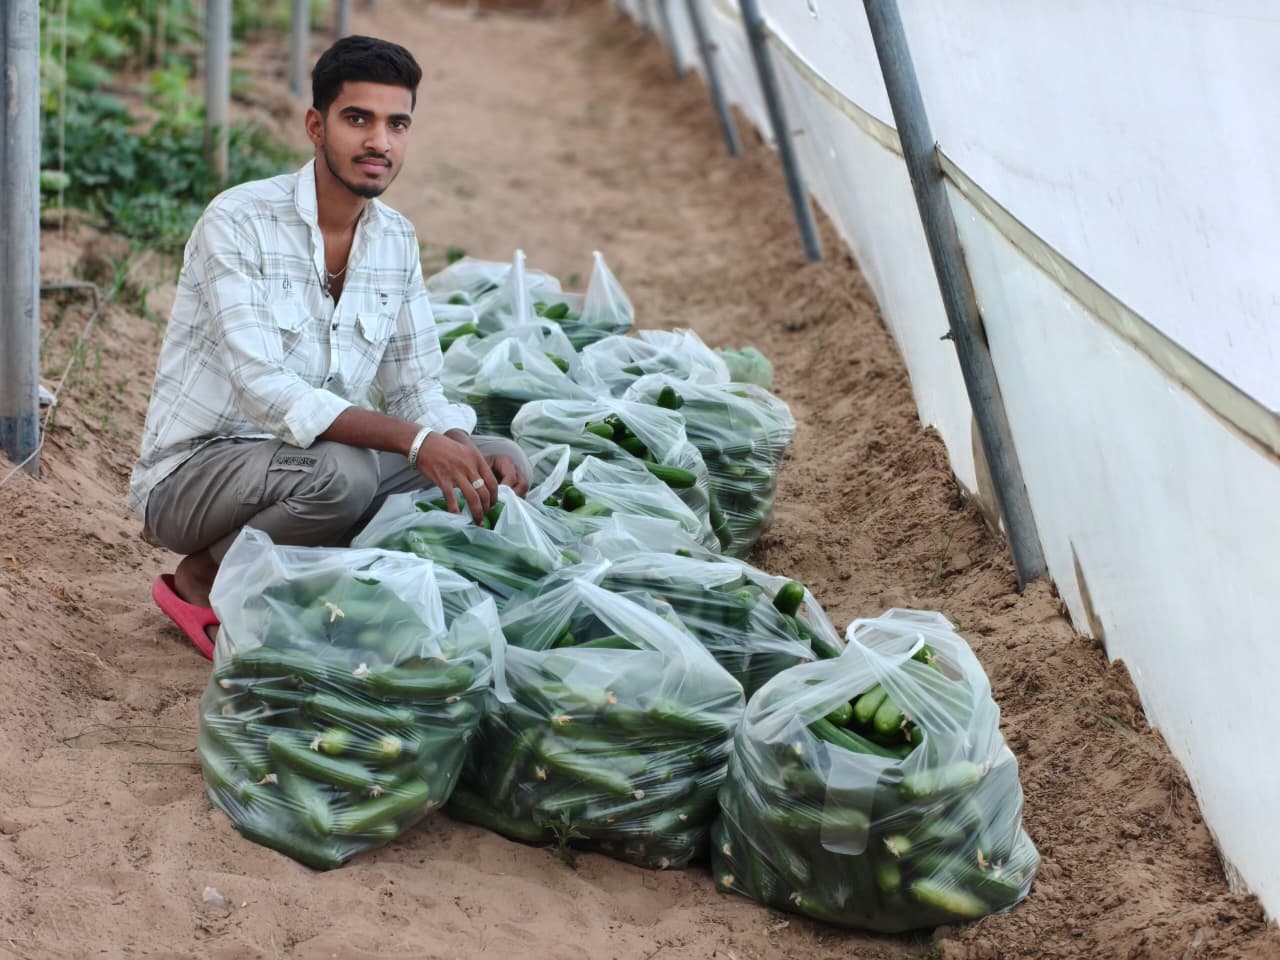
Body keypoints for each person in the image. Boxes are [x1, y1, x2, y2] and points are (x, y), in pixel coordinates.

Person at [129, 35, 528, 660]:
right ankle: (201, 579)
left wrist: (457, 445)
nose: (380, 142)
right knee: (343, 477)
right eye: (358, 119)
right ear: (316, 126)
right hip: (198, 475)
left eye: (398, 124)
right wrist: (416, 443)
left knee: (489, 457)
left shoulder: (396, 240)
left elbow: (416, 386)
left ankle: (304, 577)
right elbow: (266, 390)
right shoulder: (239, 221)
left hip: (307, 467)